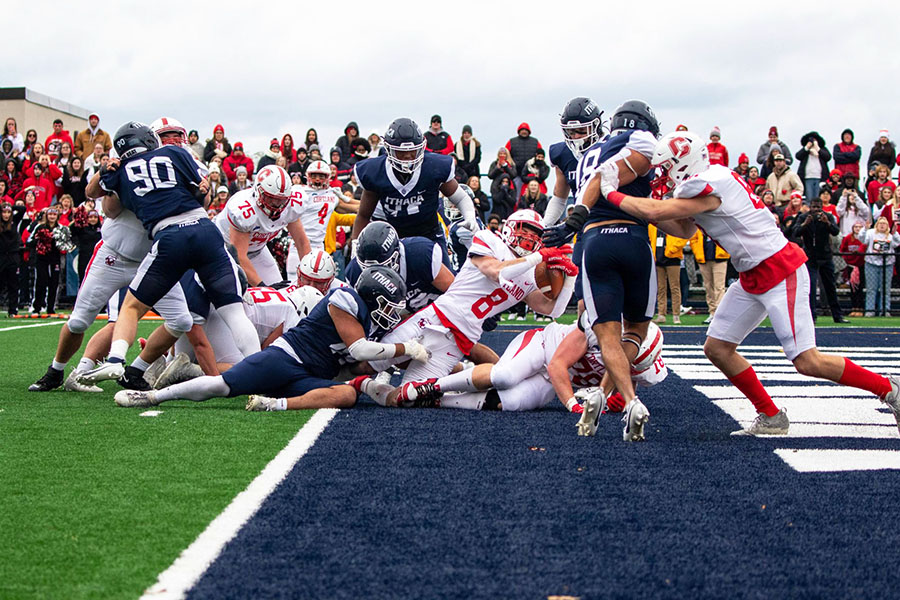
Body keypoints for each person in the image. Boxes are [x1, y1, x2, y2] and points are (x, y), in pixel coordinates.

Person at [597, 129, 900, 435]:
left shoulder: (706, 185)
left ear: (683, 163)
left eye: (666, 167)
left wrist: (611, 193)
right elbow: (684, 230)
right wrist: (641, 209)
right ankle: (770, 415)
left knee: (808, 361)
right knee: (717, 348)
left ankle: (890, 389)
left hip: (780, 270)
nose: (662, 175)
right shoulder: (709, 180)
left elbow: (659, 210)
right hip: (752, 274)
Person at [75, 121, 260, 388]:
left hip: (169, 238)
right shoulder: (177, 153)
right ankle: (260, 376)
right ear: (151, 140)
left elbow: (92, 194)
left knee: (130, 307)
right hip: (204, 231)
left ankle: (116, 361)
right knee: (234, 313)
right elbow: (203, 192)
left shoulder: (121, 169)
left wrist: (105, 170)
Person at [114, 266, 428, 411]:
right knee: (221, 386)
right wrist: (405, 348)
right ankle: (154, 397)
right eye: (388, 305)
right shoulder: (345, 299)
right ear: (373, 296)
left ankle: (273, 404)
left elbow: (358, 364)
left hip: (308, 375)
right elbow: (359, 348)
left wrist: (378, 370)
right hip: (283, 359)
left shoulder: (367, 320)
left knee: (347, 396)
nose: (391, 314)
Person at [365, 210, 576, 408]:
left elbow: (552, 310)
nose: (530, 236)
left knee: (407, 399)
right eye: (525, 228)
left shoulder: (529, 274)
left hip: (459, 339)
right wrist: (538, 257)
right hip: (436, 317)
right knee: (370, 362)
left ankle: (363, 387)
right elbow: (494, 271)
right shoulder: (489, 239)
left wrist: (570, 278)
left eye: (536, 233)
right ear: (510, 226)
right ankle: (350, 379)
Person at [542, 99, 660, 441]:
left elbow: (594, 180)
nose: (576, 136)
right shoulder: (640, 142)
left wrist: (566, 225)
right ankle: (620, 396)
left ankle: (612, 395)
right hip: (635, 237)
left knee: (605, 330)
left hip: (593, 239)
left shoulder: (600, 150)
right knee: (636, 330)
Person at [428, 314, 667, 415]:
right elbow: (557, 365)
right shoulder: (601, 328)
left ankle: (438, 400)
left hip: (552, 383)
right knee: (504, 376)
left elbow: (626, 390)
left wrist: (621, 400)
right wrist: (573, 405)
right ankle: (431, 386)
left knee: (507, 403)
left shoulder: (648, 371)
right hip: (543, 348)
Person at [350, 117, 478, 261]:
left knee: (445, 281)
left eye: (412, 150)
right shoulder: (375, 172)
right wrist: (356, 243)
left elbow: (460, 197)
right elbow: (364, 215)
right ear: (389, 149)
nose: (407, 156)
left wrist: (469, 215)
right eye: (401, 151)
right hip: (392, 238)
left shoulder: (433, 167)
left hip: (429, 234)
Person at [214, 165, 310, 286]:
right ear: (258, 191)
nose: (276, 204)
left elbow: (302, 242)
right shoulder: (244, 209)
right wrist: (262, 287)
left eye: (281, 200)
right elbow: (238, 255)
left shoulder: (291, 206)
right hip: (223, 251)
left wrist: (308, 277)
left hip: (257, 251)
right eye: (271, 198)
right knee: (233, 298)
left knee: (280, 295)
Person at [345, 221, 455, 314]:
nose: (377, 272)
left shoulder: (419, 254)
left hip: (440, 309)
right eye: (368, 268)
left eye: (383, 265)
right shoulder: (354, 272)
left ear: (397, 254)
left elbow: (454, 291)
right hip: (400, 321)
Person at [285, 159, 356, 276]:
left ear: (328, 178)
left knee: (318, 286)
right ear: (308, 176)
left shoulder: (331, 195)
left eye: (321, 176)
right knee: (293, 284)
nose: (317, 179)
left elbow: (359, 208)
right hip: (297, 244)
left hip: (318, 247)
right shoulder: (299, 191)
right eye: (314, 176)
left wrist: (345, 198)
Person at [793, 195, 848, 323]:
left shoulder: (828, 217)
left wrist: (827, 223)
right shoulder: (803, 217)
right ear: (809, 207)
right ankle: (811, 316)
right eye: (814, 207)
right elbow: (795, 232)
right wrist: (805, 224)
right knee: (810, 287)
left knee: (830, 286)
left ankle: (837, 316)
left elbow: (835, 231)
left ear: (822, 208)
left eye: (818, 207)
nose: (816, 210)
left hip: (825, 256)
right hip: (810, 256)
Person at [863, 216, 899, 316]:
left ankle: (885, 310)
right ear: (877, 224)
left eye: (884, 223)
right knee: (871, 288)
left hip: (887, 264)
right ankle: (870, 310)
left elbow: (897, 243)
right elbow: (863, 241)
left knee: (886, 289)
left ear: (887, 226)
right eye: (880, 223)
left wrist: (895, 233)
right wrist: (864, 229)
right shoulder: (870, 233)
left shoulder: (890, 236)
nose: (882, 225)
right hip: (871, 263)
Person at [695, 231, 729, 324]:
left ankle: (719, 314)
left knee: (719, 286)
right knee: (708, 287)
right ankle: (712, 312)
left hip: (719, 259)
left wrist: (724, 252)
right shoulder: (700, 227)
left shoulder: (719, 224)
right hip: (704, 259)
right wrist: (697, 253)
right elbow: (694, 239)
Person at [839, 220, 867, 317]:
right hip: (851, 266)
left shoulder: (864, 238)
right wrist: (848, 260)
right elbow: (842, 249)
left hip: (861, 266)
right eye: (856, 227)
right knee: (852, 288)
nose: (858, 229)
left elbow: (864, 248)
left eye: (860, 227)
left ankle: (860, 308)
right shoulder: (848, 238)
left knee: (860, 288)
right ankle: (854, 308)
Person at [506, 123, 541, 196]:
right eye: (522, 130)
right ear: (519, 131)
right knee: (516, 195)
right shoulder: (511, 141)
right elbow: (506, 154)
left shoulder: (535, 142)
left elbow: (541, 155)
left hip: (530, 174)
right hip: (516, 174)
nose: (524, 131)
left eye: (526, 130)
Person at [795, 131, 831, 200]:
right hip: (807, 177)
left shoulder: (822, 149)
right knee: (809, 198)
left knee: (819, 197)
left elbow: (828, 157)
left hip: (820, 178)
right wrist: (807, 147)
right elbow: (798, 156)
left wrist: (818, 148)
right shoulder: (805, 151)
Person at [0, 202, 21, 316]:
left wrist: (10, 206)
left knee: (13, 284)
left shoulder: (14, 222)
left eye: (8, 212)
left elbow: (22, 209)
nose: (6, 215)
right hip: (1, 256)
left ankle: (13, 309)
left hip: (13, 257)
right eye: (4, 212)